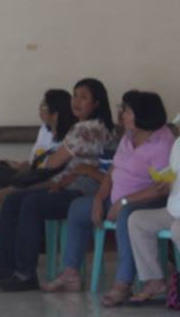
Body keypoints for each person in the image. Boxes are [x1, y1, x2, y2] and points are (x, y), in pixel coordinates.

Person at [0, 78, 116, 291]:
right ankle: (6, 268)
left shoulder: (84, 129)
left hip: (81, 192)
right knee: (14, 200)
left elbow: (52, 163)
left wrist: (51, 164)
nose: (76, 101)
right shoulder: (107, 128)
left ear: (96, 103)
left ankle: (20, 272)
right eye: (74, 95)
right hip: (75, 186)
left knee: (29, 203)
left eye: (83, 97)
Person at [41, 91, 172, 304]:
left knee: (127, 216)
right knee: (77, 208)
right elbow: (113, 170)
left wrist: (124, 202)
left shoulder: (162, 142)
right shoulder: (128, 137)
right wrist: (99, 198)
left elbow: (162, 188)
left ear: (144, 114)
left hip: (147, 200)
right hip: (117, 198)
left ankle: (123, 283)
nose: (122, 115)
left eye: (127, 110)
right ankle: (71, 272)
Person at [0, 89, 75, 271]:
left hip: (45, 182)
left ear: (56, 114)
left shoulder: (70, 137)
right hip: (31, 177)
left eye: (44, 106)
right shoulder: (45, 131)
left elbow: (50, 168)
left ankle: (6, 255)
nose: (40, 109)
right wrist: (11, 164)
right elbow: (33, 163)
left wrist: (25, 169)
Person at [125, 128, 180, 305]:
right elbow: (173, 178)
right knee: (137, 221)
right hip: (174, 208)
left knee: (177, 229)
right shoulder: (178, 145)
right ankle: (154, 280)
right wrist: (166, 185)